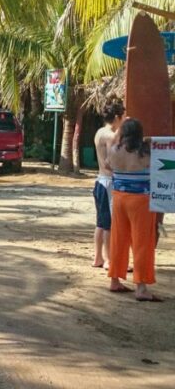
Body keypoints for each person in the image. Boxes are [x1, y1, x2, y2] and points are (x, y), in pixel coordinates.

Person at [107, 118, 161, 301]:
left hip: (119, 197)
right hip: (140, 200)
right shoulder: (145, 152)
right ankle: (141, 287)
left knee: (118, 239)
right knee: (142, 242)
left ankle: (114, 280)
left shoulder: (115, 150)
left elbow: (108, 165)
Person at [92, 100, 124, 268]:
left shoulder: (100, 132)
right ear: (117, 117)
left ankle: (98, 257)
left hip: (99, 181)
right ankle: (109, 260)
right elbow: (109, 162)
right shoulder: (110, 136)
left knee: (101, 222)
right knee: (109, 225)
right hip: (108, 182)